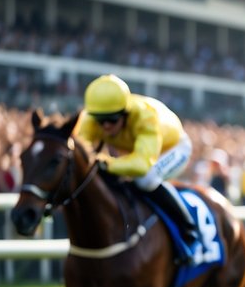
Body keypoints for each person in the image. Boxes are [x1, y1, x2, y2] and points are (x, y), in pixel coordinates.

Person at [77, 74, 201, 263]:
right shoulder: (89, 119)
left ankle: (189, 230)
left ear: (125, 113)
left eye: (111, 119)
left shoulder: (145, 117)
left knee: (146, 179)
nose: (105, 126)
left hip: (173, 147)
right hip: (136, 149)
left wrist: (106, 163)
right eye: (100, 120)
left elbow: (142, 165)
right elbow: (79, 156)